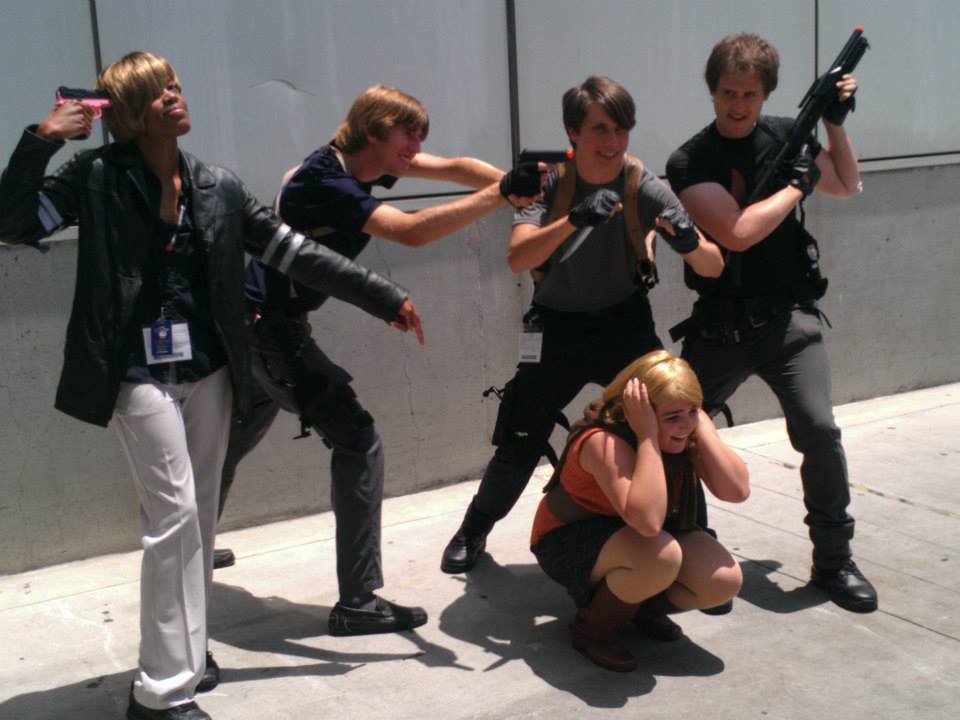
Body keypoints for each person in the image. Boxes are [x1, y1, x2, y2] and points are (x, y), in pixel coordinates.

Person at [0, 53, 423, 720]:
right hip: (135, 372)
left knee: (193, 519)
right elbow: (14, 224)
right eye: (157, 91)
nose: (174, 96)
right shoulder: (95, 177)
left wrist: (382, 294)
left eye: (175, 85)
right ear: (131, 109)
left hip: (210, 368)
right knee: (171, 519)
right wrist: (40, 140)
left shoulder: (215, 185)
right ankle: (160, 695)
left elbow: (293, 251)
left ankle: (187, 656)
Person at [213, 85, 542, 636]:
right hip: (269, 329)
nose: (416, 148)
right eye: (407, 136)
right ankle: (358, 601)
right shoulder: (326, 183)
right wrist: (503, 196)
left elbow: (456, 167)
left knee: (231, 441)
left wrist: (526, 187)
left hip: (259, 323)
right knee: (358, 442)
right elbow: (411, 232)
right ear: (373, 133)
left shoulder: (356, 163)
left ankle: (193, 543)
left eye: (419, 137)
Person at [440, 75, 725, 574]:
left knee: (673, 421)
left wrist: (687, 241)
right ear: (573, 132)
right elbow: (517, 258)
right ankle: (474, 528)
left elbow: (713, 265)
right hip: (557, 329)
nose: (613, 142)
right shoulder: (546, 184)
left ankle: (692, 531)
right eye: (600, 129)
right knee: (521, 433)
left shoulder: (642, 184)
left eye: (622, 129)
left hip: (625, 324)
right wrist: (574, 219)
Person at [665, 34, 877, 612]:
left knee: (819, 430)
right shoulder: (689, 160)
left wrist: (833, 126)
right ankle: (691, 553)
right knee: (674, 433)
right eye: (728, 93)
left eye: (750, 94)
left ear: (766, 94)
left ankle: (834, 561)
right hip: (719, 327)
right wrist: (795, 185)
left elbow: (846, 185)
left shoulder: (788, 134)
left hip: (788, 321)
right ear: (712, 91)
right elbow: (736, 232)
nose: (739, 105)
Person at [531, 350, 749, 671]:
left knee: (722, 581)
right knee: (659, 555)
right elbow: (646, 523)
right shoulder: (603, 441)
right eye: (672, 417)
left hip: (642, 533)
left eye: (692, 410)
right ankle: (593, 630)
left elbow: (736, 491)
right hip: (571, 540)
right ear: (637, 412)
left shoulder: (687, 430)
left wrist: (703, 428)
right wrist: (647, 437)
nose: (684, 425)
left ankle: (635, 610)